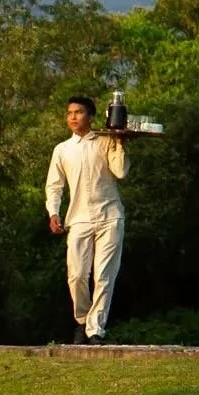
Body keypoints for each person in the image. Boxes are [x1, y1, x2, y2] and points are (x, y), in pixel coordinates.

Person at [45, 94, 130, 344]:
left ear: (91, 117)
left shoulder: (105, 141)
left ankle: (95, 330)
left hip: (110, 215)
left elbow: (121, 172)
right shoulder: (62, 150)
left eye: (79, 112)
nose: (73, 117)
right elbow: (54, 186)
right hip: (79, 218)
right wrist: (53, 212)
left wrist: (119, 143)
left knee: (104, 275)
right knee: (77, 274)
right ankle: (82, 320)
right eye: (70, 113)